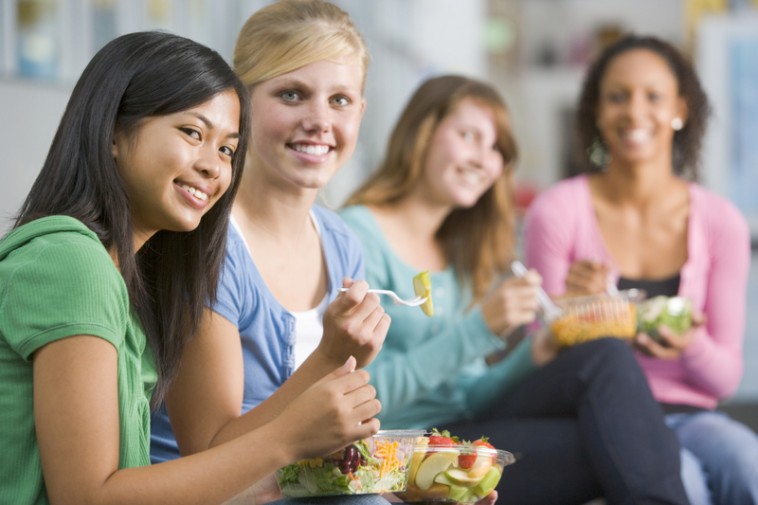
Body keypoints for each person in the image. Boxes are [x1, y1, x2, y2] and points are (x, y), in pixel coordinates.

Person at [0, 31, 382, 505]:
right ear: (113, 133)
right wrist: (286, 438)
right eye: (193, 133)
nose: (213, 167)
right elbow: (87, 497)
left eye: (226, 149)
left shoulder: (118, 273)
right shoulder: (72, 263)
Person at [340, 73, 691, 505]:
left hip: (459, 428)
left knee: (609, 365)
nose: (483, 159)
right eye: (469, 136)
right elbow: (355, 396)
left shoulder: (458, 254)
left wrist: (542, 345)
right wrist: (480, 329)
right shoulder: (357, 236)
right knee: (630, 446)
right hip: (401, 449)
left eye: (496, 149)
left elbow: (469, 396)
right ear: (422, 132)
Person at [148, 2, 402, 504]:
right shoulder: (204, 244)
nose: (319, 121)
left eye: (340, 100)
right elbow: (210, 453)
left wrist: (410, 489)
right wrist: (329, 355)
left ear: (361, 111)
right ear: (239, 102)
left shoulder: (341, 242)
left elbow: (336, 439)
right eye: (292, 94)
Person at [523, 34, 758, 505]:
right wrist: (575, 311)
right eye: (617, 96)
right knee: (684, 483)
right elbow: (537, 356)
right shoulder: (557, 211)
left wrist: (689, 347)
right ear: (595, 111)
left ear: (680, 109)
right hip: (601, 416)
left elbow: (725, 379)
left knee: (747, 462)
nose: (634, 112)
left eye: (653, 96)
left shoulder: (720, 223)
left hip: (692, 414)